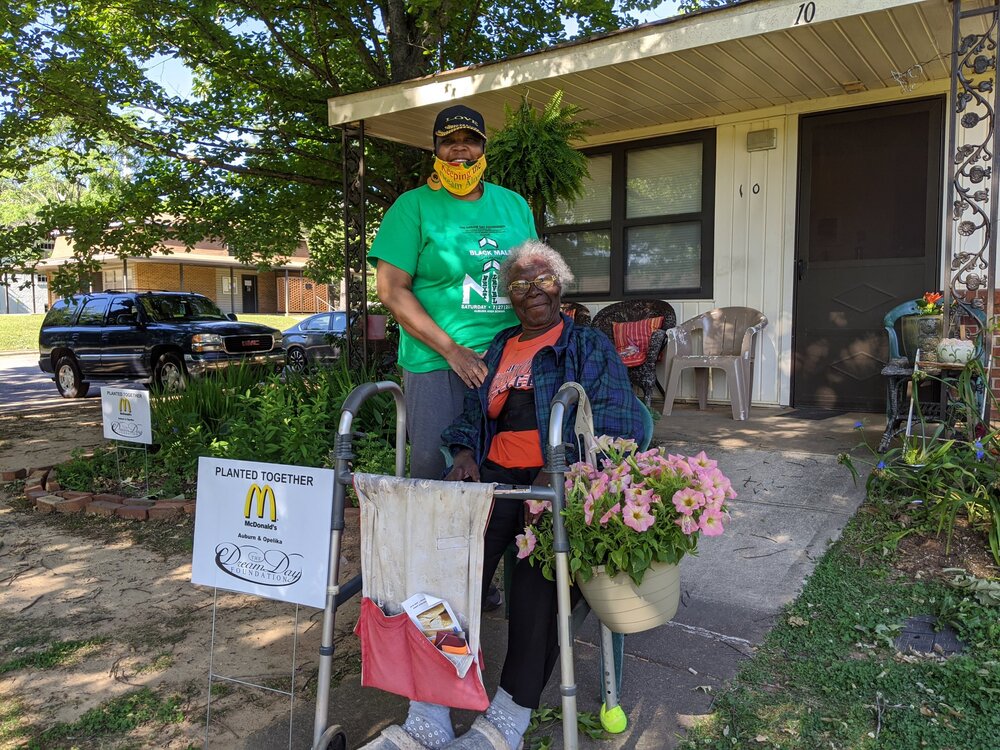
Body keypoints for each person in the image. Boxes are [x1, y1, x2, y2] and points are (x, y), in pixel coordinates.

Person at [360, 241, 646, 750]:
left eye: (543, 281)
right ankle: (430, 710)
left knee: (537, 592)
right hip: (492, 482)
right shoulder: (499, 347)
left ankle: (507, 721)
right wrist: (465, 452)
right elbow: (472, 414)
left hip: (556, 486)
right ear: (509, 297)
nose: (532, 291)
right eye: (520, 284)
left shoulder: (587, 346)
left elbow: (619, 425)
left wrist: (557, 474)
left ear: (560, 286)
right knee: (439, 579)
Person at [368, 104, 537, 483]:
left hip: (508, 361)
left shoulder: (513, 205)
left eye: (470, 141)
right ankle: (435, 544)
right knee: (438, 475)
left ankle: (501, 544)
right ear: (435, 149)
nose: (460, 150)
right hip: (436, 364)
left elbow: (530, 279)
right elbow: (391, 289)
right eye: (449, 142)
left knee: (510, 468)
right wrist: (451, 350)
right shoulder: (412, 207)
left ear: (483, 148)